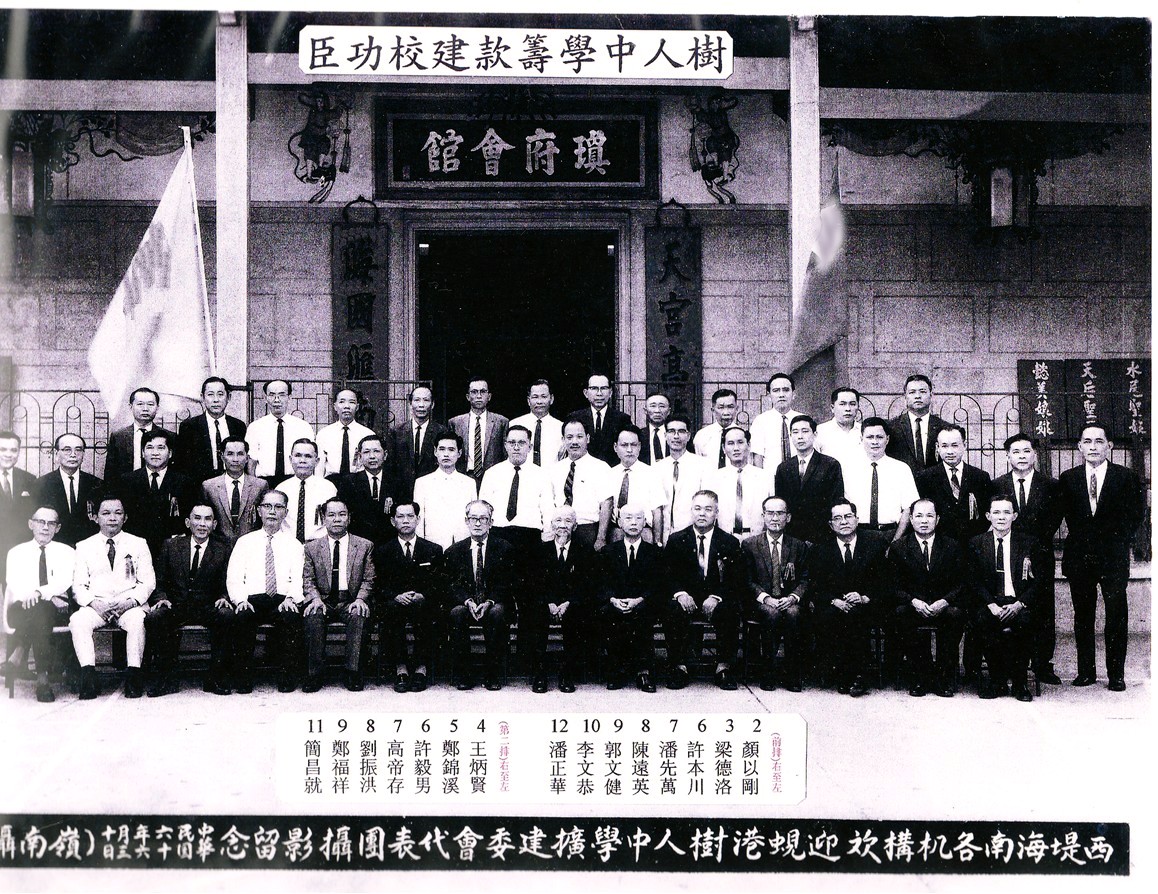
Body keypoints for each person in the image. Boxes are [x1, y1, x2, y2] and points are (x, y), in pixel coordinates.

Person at [1059, 424, 1145, 691]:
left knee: (1116, 616)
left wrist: (1116, 540)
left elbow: (1136, 514)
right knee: (1083, 616)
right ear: (1079, 447)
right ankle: (1086, 672)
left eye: (1099, 441)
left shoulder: (1126, 477)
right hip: (1080, 557)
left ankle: (1116, 674)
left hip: (1113, 557)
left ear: (1110, 445)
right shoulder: (1069, 478)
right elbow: (1063, 514)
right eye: (1087, 441)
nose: (1093, 446)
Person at [993, 433, 1064, 684]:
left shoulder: (1051, 485)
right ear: (1007, 456)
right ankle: (1007, 664)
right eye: (1016, 452)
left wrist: (1032, 545)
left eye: (1026, 451)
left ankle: (1043, 664)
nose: (1021, 456)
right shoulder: (997, 485)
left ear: (1034, 454)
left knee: (1043, 607)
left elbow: (1055, 518)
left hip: (1040, 551)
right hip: (1007, 552)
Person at [143, 503, 233, 697]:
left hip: (208, 605)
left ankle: (215, 678)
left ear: (215, 524)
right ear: (187, 522)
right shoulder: (171, 545)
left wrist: (224, 597)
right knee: (155, 617)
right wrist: (162, 598)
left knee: (226, 615)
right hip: (177, 605)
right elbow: (159, 580)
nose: (202, 524)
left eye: (208, 519)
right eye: (197, 518)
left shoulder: (223, 549)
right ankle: (167, 679)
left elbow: (229, 580)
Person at [70, 496, 155, 699]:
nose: (112, 518)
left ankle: (134, 675)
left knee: (137, 621)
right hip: (97, 605)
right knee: (78, 620)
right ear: (96, 517)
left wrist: (129, 602)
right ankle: (88, 676)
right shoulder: (84, 546)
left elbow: (148, 582)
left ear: (125, 518)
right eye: (106, 513)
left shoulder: (139, 543)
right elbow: (78, 585)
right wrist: (94, 603)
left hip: (128, 604)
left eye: (118, 513)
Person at [662, 489, 745, 690]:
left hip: (715, 599)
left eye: (708, 509)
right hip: (686, 598)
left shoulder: (729, 542)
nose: (702, 513)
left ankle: (723, 668)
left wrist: (716, 597)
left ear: (716, 513)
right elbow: (667, 575)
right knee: (671, 609)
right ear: (691, 511)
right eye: (697, 508)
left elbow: (735, 579)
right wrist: (681, 594)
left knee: (730, 609)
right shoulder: (676, 540)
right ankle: (679, 667)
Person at [807, 499, 889, 697]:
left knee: (856, 616)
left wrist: (864, 597)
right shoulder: (821, 549)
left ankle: (858, 675)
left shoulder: (874, 543)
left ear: (857, 519)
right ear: (830, 524)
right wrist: (835, 600)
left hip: (866, 603)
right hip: (833, 604)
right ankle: (841, 672)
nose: (843, 522)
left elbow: (884, 581)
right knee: (831, 616)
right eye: (837, 518)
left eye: (848, 516)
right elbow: (815, 585)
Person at [224, 490, 304, 693]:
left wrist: (291, 598)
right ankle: (243, 679)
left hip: (282, 599)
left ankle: (286, 678)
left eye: (278, 507)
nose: (272, 511)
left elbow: (299, 578)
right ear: (259, 511)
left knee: (291, 616)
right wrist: (240, 600)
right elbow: (234, 576)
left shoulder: (294, 544)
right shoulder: (245, 542)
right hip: (252, 599)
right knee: (242, 616)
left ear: (286, 512)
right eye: (267, 506)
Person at [890, 498, 967, 698]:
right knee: (900, 613)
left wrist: (945, 601)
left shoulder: (952, 545)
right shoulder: (899, 547)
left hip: (942, 605)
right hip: (914, 605)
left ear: (937, 519)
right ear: (911, 519)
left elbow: (961, 583)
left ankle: (942, 676)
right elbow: (893, 585)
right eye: (919, 516)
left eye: (929, 516)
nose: (924, 521)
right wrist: (913, 601)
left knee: (956, 614)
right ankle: (921, 676)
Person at [968, 495, 1042, 702]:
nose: (1001, 517)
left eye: (1006, 512)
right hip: (991, 602)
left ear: (1015, 516)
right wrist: (991, 604)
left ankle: (1020, 683)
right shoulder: (976, 543)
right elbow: (973, 580)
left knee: (1025, 622)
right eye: (996, 512)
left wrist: (1019, 604)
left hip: (1018, 601)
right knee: (983, 620)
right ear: (988, 516)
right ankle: (997, 681)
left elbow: (1040, 581)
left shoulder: (1029, 543)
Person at [301, 498, 375, 692]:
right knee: (313, 614)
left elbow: (369, 578)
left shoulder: (364, 545)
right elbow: (308, 579)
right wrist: (315, 598)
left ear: (349, 518)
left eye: (342, 514)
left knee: (359, 614)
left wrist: (360, 599)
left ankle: (352, 672)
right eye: (331, 515)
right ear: (323, 519)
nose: (337, 519)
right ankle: (314, 674)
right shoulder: (311, 547)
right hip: (323, 599)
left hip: (350, 600)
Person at [443, 500, 517, 691]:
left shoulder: (505, 548)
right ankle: (464, 674)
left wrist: (489, 601)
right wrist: (468, 601)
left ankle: (492, 673)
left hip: (494, 602)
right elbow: (453, 584)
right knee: (456, 613)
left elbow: (506, 583)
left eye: (483, 518)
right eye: (473, 518)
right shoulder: (454, 551)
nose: (477, 523)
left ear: (491, 522)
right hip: (466, 604)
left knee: (497, 613)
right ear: (466, 521)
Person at [4, 506, 75, 702]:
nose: (45, 527)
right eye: (40, 522)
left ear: (58, 528)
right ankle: (42, 681)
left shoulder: (67, 552)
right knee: (41, 610)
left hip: (54, 611)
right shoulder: (16, 552)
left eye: (51, 523)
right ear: (31, 524)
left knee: (42, 610)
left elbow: (64, 581)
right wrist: (41, 595)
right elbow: (13, 582)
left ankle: (19, 652)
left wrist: (39, 593)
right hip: (21, 608)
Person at [372, 501, 444, 693]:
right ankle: (401, 668)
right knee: (392, 610)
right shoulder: (382, 551)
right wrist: (395, 596)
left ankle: (421, 668)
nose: (405, 521)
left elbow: (439, 583)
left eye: (410, 516)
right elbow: (378, 584)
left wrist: (422, 595)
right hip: (395, 602)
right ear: (392, 521)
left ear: (418, 519)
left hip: (422, 602)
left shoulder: (433, 550)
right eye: (400, 516)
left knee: (425, 610)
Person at [742, 497, 811, 692]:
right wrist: (766, 598)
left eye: (780, 513)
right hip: (761, 602)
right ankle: (768, 672)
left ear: (788, 517)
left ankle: (792, 673)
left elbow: (806, 579)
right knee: (771, 613)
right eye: (770, 513)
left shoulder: (798, 546)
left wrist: (793, 597)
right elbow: (747, 580)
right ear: (763, 516)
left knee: (794, 613)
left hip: (789, 600)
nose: (775, 518)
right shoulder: (750, 545)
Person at [528, 506, 595, 693]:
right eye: (558, 521)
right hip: (546, 603)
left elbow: (587, 584)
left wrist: (567, 603)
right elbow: (534, 584)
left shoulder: (585, 551)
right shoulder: (540, 551)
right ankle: (539, 672)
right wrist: (549, 603)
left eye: (568, 521)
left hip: (571, 603)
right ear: (551, 525)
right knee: (534, 613)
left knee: (578, 614)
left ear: (575, 526)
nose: (563, 525)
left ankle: (567, 672)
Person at [597, 506, 662, 692]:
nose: (633, 523)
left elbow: (657, 584)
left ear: (645, 522)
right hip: (616, 602)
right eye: (628, 518)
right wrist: (612, 599)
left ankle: (643, 671)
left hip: (642, 602)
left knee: (643, 614)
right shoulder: (608, 551)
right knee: (608, 613)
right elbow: (602, 582)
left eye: (638, 518)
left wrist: (639, 599)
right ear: (619, 522)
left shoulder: (654, 553)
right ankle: (616, 669)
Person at [118, 430, 200, 558]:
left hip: (172, 551)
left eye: (160, 448)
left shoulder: (185, 483)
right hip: (137, 549)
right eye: (150, 447)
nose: (155, 453)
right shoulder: (127, 481)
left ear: (170, 453)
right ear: (142, 453)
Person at [479, 424, 554, 557]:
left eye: (521, 443)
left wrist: (547, 535)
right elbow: (483, 508)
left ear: (530, 447)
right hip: (498, 534)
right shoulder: (492, 473)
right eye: (512, 442)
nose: (516, 447)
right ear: (505, 445)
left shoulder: (542, 475)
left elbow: (548, 509)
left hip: (529, 537)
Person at [843, 417, 919, 544]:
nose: (875, 442)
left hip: (890, 534)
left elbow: (908, 509)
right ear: (861, 439)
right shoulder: (848, 469)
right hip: (858, 535)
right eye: (869, 437)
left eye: (879, 437)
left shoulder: (901, 469)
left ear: (887, 439)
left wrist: (896, 541)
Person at [773, 415, 845, 546]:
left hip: (822, 537)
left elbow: (835, 503)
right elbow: (781, 504)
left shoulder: (830, 465)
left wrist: (816, 537)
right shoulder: (783, 468)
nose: (800, 436)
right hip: (792, 538)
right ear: (790, 436)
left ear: (815, 434)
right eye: (795, 432)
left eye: (805, 431)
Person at [915, 424, 992, 544]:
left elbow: (986, 514)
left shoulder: (980, 477)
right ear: (937, 447)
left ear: (964, 445)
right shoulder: (925, 478)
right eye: (944, 446)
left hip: (972, 544)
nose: (950, 451)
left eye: (955, 445)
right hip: (939, 545)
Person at [548, 419, 613, 551]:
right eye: (569, 437)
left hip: (587, 529)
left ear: (587, 438)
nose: (574, 442)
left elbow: (607, 504)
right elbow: (549, 503)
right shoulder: (555, 469)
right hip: (560, 530)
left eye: (579, 436)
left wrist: (601, 538)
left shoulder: (600, 467)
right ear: (563, 440)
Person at [705, 426, 774, 542]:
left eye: (740, 442)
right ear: (723, 448)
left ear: (749, 445)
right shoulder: (714, 478)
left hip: (757, 540)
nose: (736, 448)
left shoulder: (765, 477)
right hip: (724, 540)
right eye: (730, 443)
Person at [34, 433, 102, 547]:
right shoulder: (42, 484)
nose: (73, 455)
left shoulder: (97, 484)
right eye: (67, 450)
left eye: (78, 450)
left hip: (88, 546)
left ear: (83, 454)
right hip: (54, 546)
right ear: (56, 454)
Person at [175, 376, 247, 483]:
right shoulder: (189, 426)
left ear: (229, 397)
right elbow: (182, 463)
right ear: (202, 397)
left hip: (230, 483)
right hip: (199, 485)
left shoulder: (238, 426)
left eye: (220, 394)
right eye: (210, 394)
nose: (216, 400)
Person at [245, 380, 315, 485]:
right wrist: (254, 486)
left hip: (294, 481)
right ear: (265, 398)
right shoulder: (255, 427)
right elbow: (251, 462)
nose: (277, 400)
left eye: (282, 395)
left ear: (289, 397)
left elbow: (311, 460)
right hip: (265, 482)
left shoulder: (303, 427)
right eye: (272, 395)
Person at [202, 437, 270, 545]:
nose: (235, 459)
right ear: (222, 457)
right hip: (218, 547)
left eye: (240, 454)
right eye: (230, 454)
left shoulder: (260, 485)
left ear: (247, 458)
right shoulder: (209, 486)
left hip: (251, 546)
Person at [412, 433, 475, 549]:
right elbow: (419, 522)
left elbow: (473, 517)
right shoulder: (422, 483)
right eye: (442, 449)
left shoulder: (469, 483)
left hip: (462, 545)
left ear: (459, 453)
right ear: (435, 452)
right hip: (433, 544)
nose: (446, 454)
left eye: (451, 449)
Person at [387, 385, 448, 503]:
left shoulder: (441, 432)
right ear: (410, 404)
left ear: (432, 404)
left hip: (432, 493)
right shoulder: (396, 432)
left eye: (426, 400)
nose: (421, 405)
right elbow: (390, 466)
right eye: (417, 400)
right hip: (402, 495)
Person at [603, 427, 665, 543]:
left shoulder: (651, 474)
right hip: (617, 532)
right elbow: (606, 507)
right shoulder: (609, 474)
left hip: (644, 533)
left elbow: (657, 511)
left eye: (634, 445)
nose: (629, 450)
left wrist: (657, 542)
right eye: (624, 445)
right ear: (615, 447)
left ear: (639, 447)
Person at [102, 387, 177, 482]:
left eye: (150, 404)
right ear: (131, 406)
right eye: (140, 404)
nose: (145, 409)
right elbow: (110, 473)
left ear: (157, 408)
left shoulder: (170, 436)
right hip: (126, 489)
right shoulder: (118, 437)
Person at [653, 414, 706, 544]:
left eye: (681, 431)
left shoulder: (702, 465)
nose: (676, 436)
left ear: (688, 436)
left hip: (692, 537)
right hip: (665, 537)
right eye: (671, 431)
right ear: (665, 435)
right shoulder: (657, 468)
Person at [334, 434, 397, 543]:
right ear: (360, 456)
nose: (372, 456)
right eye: (366, 452)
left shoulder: (397, 481)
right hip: (358, 542)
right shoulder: (349, 482)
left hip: (389, 542)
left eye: (376, 451)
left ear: (385, 455)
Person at [449, 377, 509, 490]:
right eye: (474, 392)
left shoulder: (501, 422)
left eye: (483, 391)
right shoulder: (455, 423)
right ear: (468, 396)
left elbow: (505, 454)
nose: (479, 396)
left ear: (489, 396)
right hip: (464, 476)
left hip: (493, 478)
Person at [275, 439, 337, 543]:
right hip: (287, 544)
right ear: (290, 459)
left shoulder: (328, 488)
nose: (302, 460)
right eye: (298, 455)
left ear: (317, 461)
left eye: (308, 456)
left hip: (319, 544)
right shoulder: (281, 489)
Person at [886, 375, 948, 474]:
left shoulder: (943, 427)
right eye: (912, 392)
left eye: (922, 392)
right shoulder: (892, 427)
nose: (917, 396)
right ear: (905, 396)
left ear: (931, 395)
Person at [566, 373, 632, 466]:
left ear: (610, 392)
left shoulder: (622, 419)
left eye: (603, 388)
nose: (599, 393)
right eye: (594, 388)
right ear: (586, 393)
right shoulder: (575, 418)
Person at [314, 389, 376, 479]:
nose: (346, 406)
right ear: (335, 407)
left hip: (358, 481)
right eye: (342, 402)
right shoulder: (324, 434)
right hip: (332, 481)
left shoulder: (367, 434)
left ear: (357, 407)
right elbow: (319, 469)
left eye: (351, 402)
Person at [1, 431, 38, 582]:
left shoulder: (29, 479)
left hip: (20, 550)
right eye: (3, 449)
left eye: (13, 450)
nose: (8, 454)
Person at [750, 372, 805, 470]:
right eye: (776, 391)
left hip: (800, 476)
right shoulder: (760, 421)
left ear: (793, 394)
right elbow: (757, 457)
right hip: (771, 476)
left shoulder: (803, 420)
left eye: (786, 390)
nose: (781, 395)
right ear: (769, 396)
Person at [510, 379, 565, 469]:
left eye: (543, 397)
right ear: (528, 400)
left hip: (551, 476)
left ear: (551, 399)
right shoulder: (514, 425)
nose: (539, 401)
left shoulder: (561, 427)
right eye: (535, 397)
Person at [815, 387, 864, 472]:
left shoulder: (865, 431)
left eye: (852, 404)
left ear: (858, 407)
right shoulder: (820, 432)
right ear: (832, 408)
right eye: (842, 404)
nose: (848, 409)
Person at [693, 388, 740, 470]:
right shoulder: (702, 436)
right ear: (713, 410)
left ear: (736, 409)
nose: (726, 412)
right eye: (721, 407)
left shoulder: (742, 436)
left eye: (730, 407)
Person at [638, 392, 671, 465]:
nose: (657, 411)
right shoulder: (639, 435)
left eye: (662, 406)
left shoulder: (675, 435)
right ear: (645, 410)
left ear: (668, 411)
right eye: (653, 406)